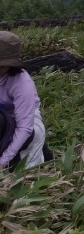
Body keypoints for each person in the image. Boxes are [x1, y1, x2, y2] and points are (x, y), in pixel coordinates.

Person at [0, 30, 48, 171]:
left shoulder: (22, 83)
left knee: (19, 171)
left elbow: (24, 128)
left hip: (25, 125)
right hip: (3, 122)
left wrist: (2, 162)